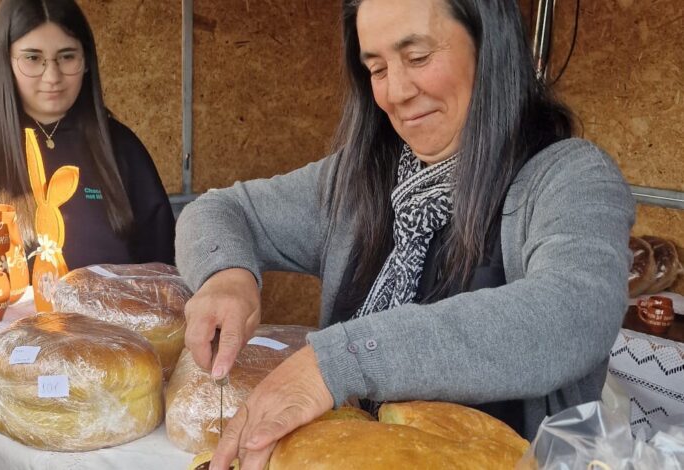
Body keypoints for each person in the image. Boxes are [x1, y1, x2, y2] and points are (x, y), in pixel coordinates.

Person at [175, 0, 635, 468]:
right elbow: (219, 210)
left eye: (417, 57)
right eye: (377, 69)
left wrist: (341, 361)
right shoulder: (359, 179)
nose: (395, 92)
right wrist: (226, 276)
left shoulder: (570, 178)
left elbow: (571, 312)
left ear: (488, 48)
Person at [0, 0, 175, 274]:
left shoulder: (121, 148)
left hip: (113, 305)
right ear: (6, 61)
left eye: (67, 56)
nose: (52, 76)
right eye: (32, 58)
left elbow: (165, 272)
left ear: (86, 61)